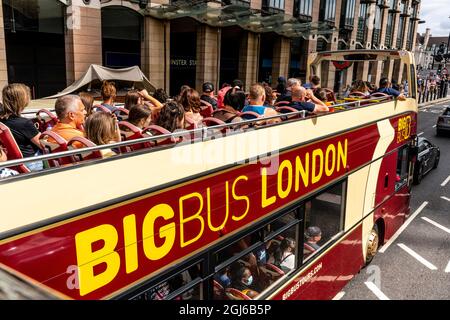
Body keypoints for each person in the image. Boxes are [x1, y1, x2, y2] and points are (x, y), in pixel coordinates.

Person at [0, 83, 43, 171]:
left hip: (13, 162)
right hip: (31, 162)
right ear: (22, 100)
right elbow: (43, 144)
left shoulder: (2, 120)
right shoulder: (24, 123)